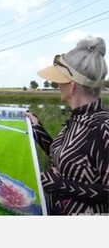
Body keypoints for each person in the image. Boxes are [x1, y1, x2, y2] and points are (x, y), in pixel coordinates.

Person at [25, 36, 109, 215]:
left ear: (71, 86)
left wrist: (59, 185)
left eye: (59, 80)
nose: (56, 85)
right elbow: (64, 160)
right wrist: (36, 127)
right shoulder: (78, 119)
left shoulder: (102, 127)